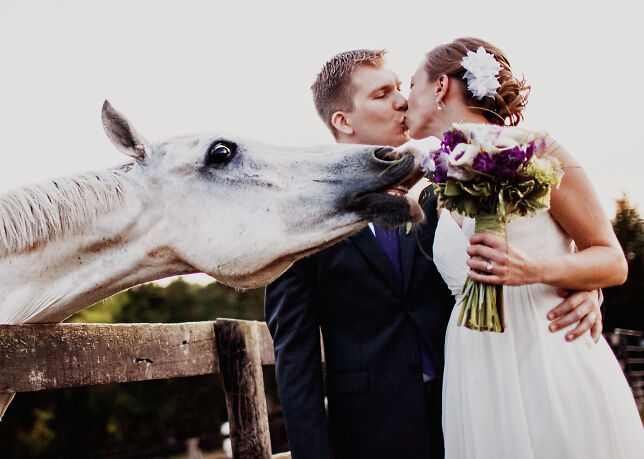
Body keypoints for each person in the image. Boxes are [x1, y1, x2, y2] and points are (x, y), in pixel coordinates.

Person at [265, 49, 604, 459]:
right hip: (372, 431)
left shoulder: (450, 182)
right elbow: (294, 353)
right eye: (382, 94)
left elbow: (525, 246)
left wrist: (585, 287)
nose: (402, 101)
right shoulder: (301, 217)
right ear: (343, 121)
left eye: (400, 89)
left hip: (469, 406)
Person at [404, 37, 644, 458]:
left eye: (411, 85)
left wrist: (536, 269)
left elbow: (611, 259)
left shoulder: (539, 150)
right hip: (475, 364)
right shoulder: (437, 187)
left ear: (441, 86)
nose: (405, 102)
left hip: (548, 347)